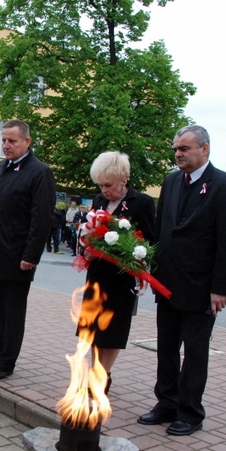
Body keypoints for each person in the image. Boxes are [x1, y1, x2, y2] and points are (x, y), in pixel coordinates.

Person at [138, 125, 226, 436]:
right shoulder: (171, 181)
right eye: (175, 149)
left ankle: (190, 412)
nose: (177, 154)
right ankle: (166, 403)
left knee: (195, 352)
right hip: (167, 282)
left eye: (184, 148)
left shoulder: (225, 185)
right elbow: (161, 229)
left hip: (200, 286)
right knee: (166, 347)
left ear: (204, 149)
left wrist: (221, 289)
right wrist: (151, 268)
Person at [0, 119, 55, 381]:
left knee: (12, 314)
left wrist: (31, 256)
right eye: (3, 140)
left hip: (17, 257)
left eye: (12, 141)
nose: (6, 145)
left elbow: (42, 218)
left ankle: (6, 362)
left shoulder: (39, 172)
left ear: (27, 142)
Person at [77, 152, 156, 395]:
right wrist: (88, 247)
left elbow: (148, 241)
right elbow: (91, 231)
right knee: (94, 327)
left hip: (121, 278)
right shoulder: (99, 200)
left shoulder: (141, 202)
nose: (104, 190)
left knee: (112, 328)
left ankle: (104, 375)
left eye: (108, 185)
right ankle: (94, 371)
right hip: (97, 274)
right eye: (100, 185)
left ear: (124, 179)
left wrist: (125, 249)